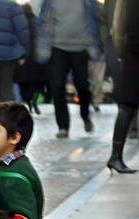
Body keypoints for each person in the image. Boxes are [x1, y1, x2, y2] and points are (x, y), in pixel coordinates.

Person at [36, 0, 101, 138]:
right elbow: (42, 20)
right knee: (57, 86)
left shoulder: (88, 2)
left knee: (82, 86)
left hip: (81, 48)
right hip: (57, 48)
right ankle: (63, 127)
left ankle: (85, 115)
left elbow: (97, 20)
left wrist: (97, 44)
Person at [106, 0, 139, 173]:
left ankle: (116, 157)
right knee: (127, 107)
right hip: (134, 58)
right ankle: (115, 157)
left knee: (127, 107)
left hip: (132, 57)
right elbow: (131, 30)